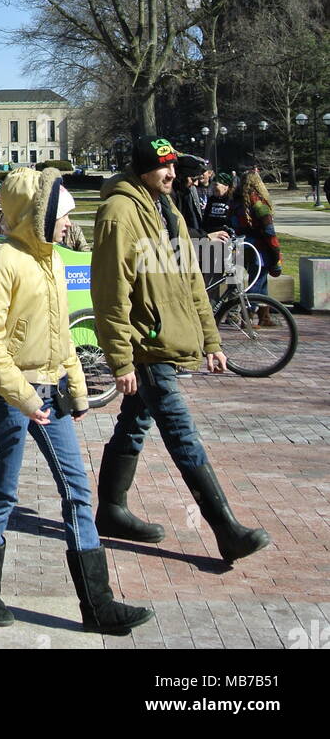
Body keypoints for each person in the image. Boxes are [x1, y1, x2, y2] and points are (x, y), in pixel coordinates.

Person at [0, 168, 153, 634]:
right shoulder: (1, 263)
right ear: (37, 214)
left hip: (51, 390)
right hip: (9, 395)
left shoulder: (52, 260)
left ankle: (97, 605)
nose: (68, 224)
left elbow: (61, 333)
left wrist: (77, 387)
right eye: (61, 215)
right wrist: (25, 397)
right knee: (3, 491)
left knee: (77, 488)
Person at [90, 136, 270, 564]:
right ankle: (226, 530)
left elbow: (190, 281)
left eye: (174, 167)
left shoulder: (165, 208)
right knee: (182, 434)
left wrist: (211, 340)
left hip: (169, 338)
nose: (172, 174)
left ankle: (111, 510)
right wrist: (120, 358)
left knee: (134, 423)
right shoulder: (119, 212)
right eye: (162, 167)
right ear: (141, 169)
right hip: (146, 345)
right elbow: (110, 290)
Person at [230, 168, 283, 320]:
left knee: (261, 279)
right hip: (258, 247)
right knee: (256, 281)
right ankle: (248, 315)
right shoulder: (258, 203)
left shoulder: (235, 201)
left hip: (240, 245)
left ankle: (264, 316)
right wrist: (275, 250)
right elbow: (268, 230)